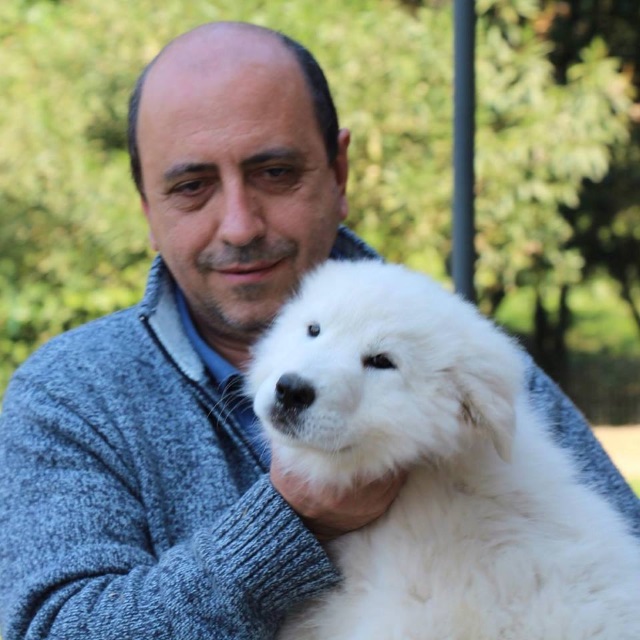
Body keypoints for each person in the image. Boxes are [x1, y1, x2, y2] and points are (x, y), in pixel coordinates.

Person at [0, 21, 637, 640]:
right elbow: (50, 630)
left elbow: (610, 578)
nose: (240, 225)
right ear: (147, 206)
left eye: (275, 173)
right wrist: (289, 521)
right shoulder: (70, 398)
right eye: (192, 187)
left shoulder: (457, 357)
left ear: (339, 173)